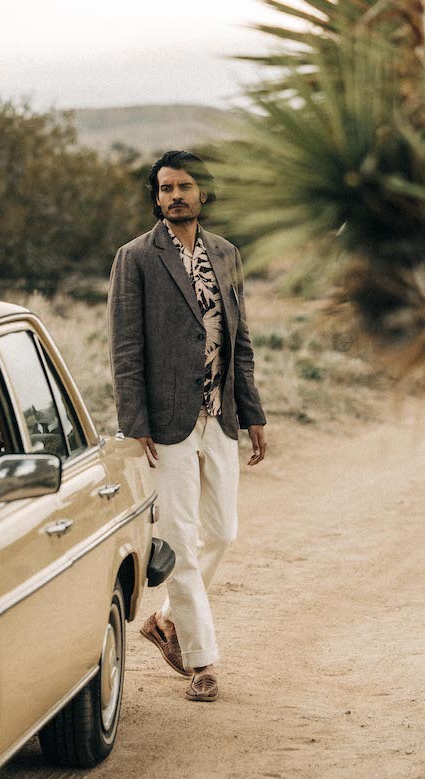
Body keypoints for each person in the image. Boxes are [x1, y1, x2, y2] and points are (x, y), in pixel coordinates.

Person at [108, 150, 267, 702]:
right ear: (156, 197)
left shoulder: (225, 253)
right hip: (164, 423)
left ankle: (166, 620)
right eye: (166, 188)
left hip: (219, 415)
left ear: (203, 193)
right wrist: (135, 420)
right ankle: (202, 661)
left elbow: (239, 340)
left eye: (185, 186)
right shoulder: (135, 258)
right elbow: (125, 347)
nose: (175, 195)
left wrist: (253, 412)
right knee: (177, 536)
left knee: (222, 531)